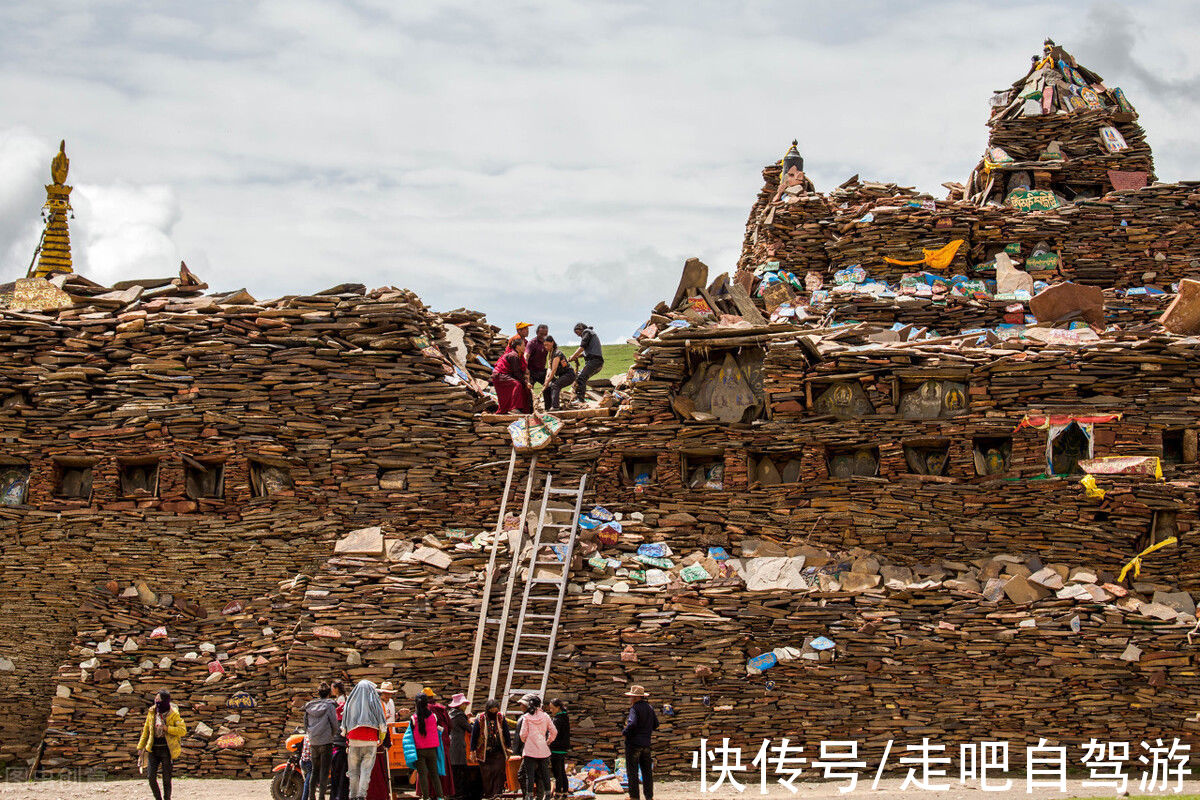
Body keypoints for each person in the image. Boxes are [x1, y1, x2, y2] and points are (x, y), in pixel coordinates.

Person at [136, 690, 186, 800]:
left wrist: (167, 729)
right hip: (153, 749)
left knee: (166, 778)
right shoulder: (152, 713)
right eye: (156, 699)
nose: (157, 702)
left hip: (167, 750)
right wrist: (140, 746)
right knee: (150, 777)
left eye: (159, 700)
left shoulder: (174, 714)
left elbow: (182, 730)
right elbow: (146, 731)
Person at [342, 679, 388, 800]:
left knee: (353, 772)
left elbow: (345, 719)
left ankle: (352, 796)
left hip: (353, 740)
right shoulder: (374, 699)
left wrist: (345, 733)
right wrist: (381, 737)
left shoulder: (351, 701)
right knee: (366, 771)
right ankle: (361, 796)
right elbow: (381, 720)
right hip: (371, 740)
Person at [622, 686, 658, 800]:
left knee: (632, 771)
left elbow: (632, 723)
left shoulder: (635, 708)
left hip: (634, 744)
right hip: (646, 743)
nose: (630, 699)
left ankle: (634, 797)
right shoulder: (649, 708)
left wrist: (625, 731)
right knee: (647, 771)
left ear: (636, 697)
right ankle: (649, 796)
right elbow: (656, 724)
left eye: (632, 697)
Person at [470, 698, 511, 799]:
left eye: (495, 710)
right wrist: (472, 750)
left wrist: (509, 747)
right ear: (487, 709)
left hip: (498, 751)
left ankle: (497, 794)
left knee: (499, 772)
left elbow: (506, 732)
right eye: (491, 710)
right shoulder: (480, 718)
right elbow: (474, 735)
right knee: (487, 774)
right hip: (484, 752)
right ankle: (489, 794)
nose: (494, 712)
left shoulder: (501, 718)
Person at [304, 682, 340, 800]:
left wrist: (311, 735)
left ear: (318, 693)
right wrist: (332, 735)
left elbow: (305, 724)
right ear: (329, 694)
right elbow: (334, 724)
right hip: (326, 741)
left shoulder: (309, 707)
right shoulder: (330, 706)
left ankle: (311, 796)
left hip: (313, 742)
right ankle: (321, 797)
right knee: (324, 771)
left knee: (314, 770)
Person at [518, 696, 556, 800]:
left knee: (529, 775)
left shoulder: (526, 717)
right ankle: (547, 795)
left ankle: (529, 796)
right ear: (540, 705)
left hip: (529, 750)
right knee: (545, 773)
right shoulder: (545, 716)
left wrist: (526, 741)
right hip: (543, 750)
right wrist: (548, 741)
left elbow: (522, 734)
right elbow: (554, 732)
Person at [411, 695, 443, 799]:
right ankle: (440, 797)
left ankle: (426, 797)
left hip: (419, 750)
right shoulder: (434, 716)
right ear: (427, 703)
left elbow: (410, 733)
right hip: (432, 749)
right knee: (434, 774)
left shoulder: (413, 718)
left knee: (422, 774)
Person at [447, 694, 478, 800]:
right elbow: (470, 729)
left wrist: (466, 718)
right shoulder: (459, 716)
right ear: (459, 705)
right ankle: (459, 794)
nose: (465, 706)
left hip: (452, 746)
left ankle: (454, 793)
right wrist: (473, 723)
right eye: (464, 704)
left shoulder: (451, 714)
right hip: (458, 747)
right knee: (460, 771)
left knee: (454, 771)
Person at [492, 336, 533, 414]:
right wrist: (526, 382)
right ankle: (514, 408)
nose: (525, 347)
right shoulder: (513, 356)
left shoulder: (517, 355)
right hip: (500, 375)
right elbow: (516, 373)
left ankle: (524, 410)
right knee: (517, 385)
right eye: (523, 345)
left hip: (504, 375)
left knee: (522, 387)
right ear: (518, 347)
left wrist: (525, 380)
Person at [569, 322, 604, 405]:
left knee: (581, 378)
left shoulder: (587, 332)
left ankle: (580, 400)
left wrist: (574, 355)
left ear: (581, 329)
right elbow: (585, 352)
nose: (578, 335)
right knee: (579, 377)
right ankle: (578, 397)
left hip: (594, 361)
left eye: (578, 333)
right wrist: (577, 356)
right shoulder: (590, 334)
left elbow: (582, 346)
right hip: (596, 361)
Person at [541, 337, 575, 411]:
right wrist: (546, 381)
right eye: (544, 345)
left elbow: (554, 370)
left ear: (552, 343)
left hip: (569, 374)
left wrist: (548, 381)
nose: (546, 347)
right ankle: (548, 408)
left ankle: (555, 407)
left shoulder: (557, 353)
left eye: (547, 345)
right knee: (547, 388)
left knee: (555, 385)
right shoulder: (550, 354)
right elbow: (549, 369)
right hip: (562, 375)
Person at [330, 680, 350, 800]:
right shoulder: (340, 699)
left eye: (333, 687)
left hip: (339, 740)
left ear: (337, 688)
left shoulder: (341, 701)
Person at [547, 699, 571, 799]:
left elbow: (553, 734)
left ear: (558, 707)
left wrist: (548, 743)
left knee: (557, 772)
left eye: (552, 708)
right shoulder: (565, 717)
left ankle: (558, 793)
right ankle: (565, 791)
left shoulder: (557, 720)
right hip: (563, 747)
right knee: (561, 771)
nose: (551, 710)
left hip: (556, 747)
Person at [527, 324, 550, 390]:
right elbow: (526, 357)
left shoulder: (548, 343)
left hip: (541, 371)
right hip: (531, 371)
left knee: (550, 387)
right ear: (537, 333)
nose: (543, 336)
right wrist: (525, 370)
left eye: (545, 334)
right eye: (541, 334)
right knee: (529, 390)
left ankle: (548, 400)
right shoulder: (532, 343)